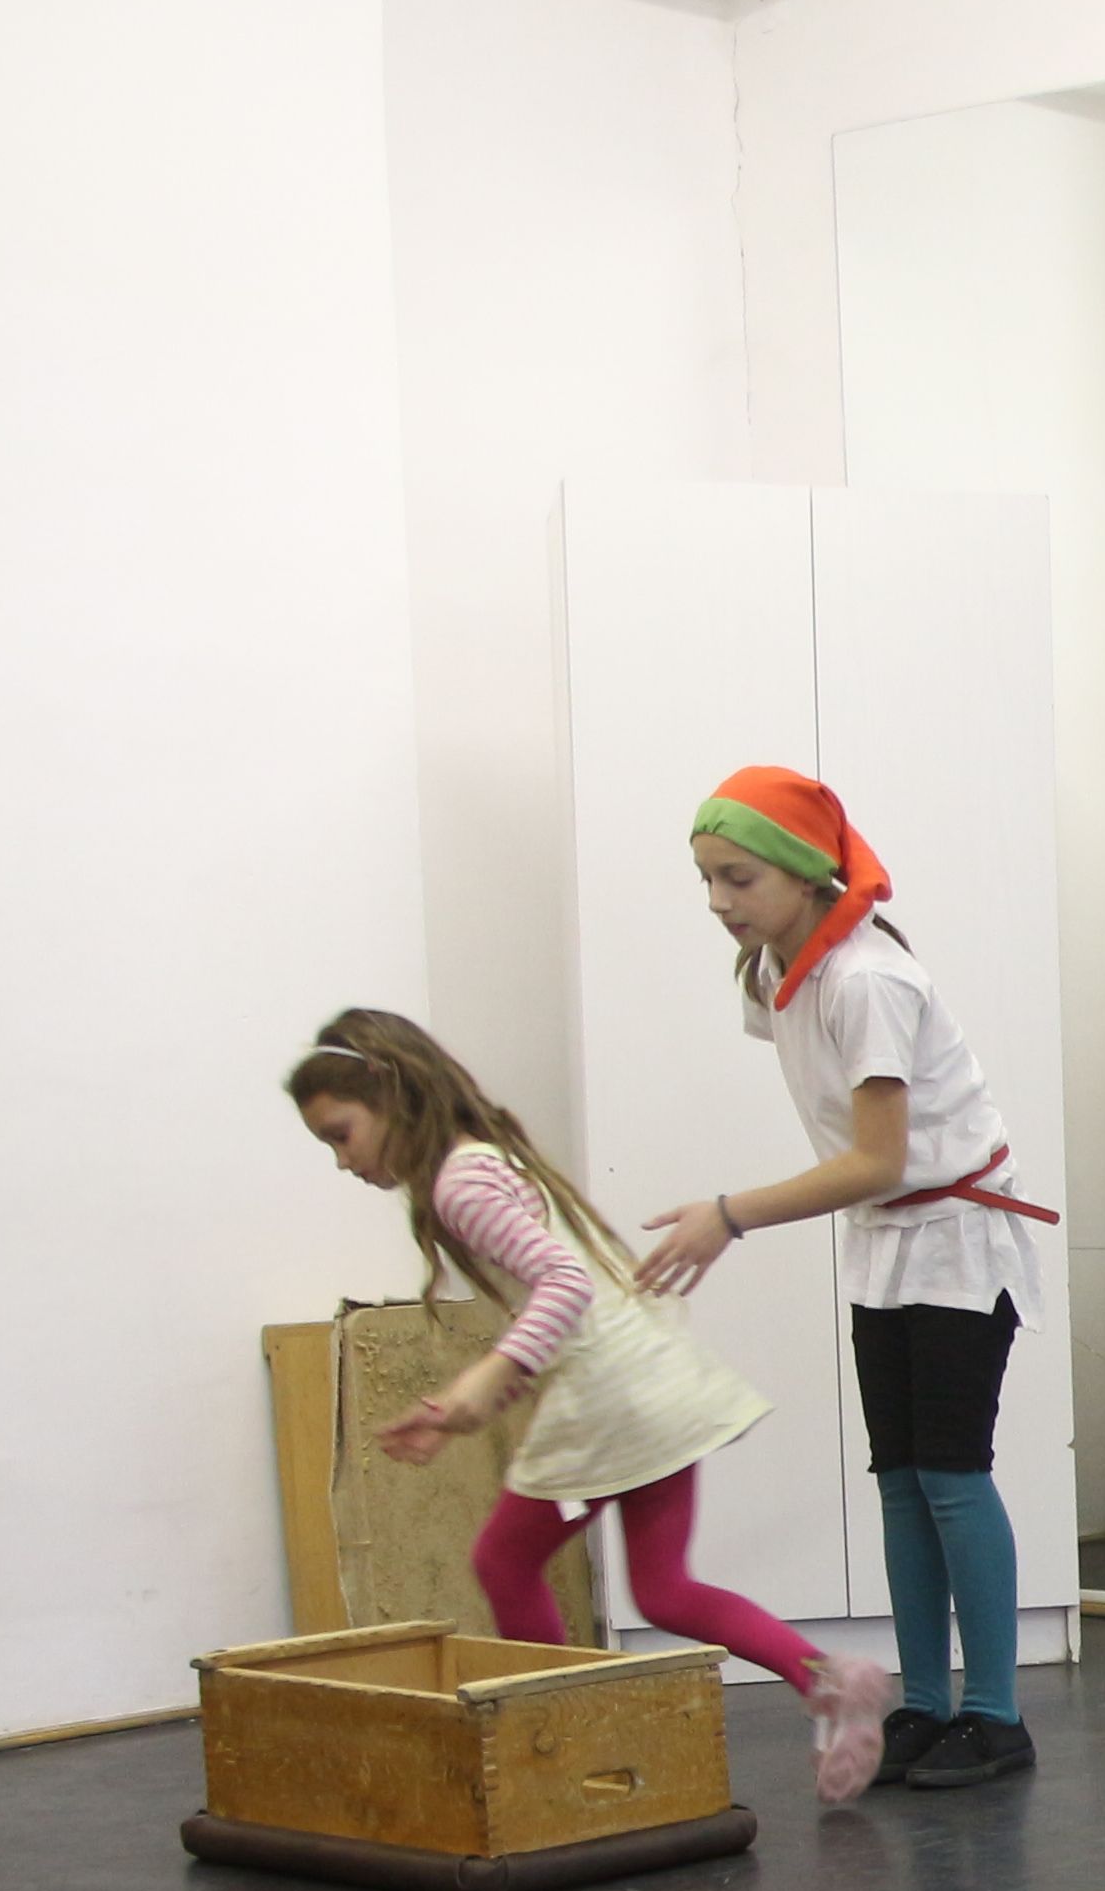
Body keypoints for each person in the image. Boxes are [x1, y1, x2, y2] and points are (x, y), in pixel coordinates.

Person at [289, 1010, 902, 1802]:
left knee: (503, 1563)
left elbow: (564, 1285)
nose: (343, 1161)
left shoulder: (459, 1183)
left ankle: (561, 1739)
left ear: (393, 1094)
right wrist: (475, 1398)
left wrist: (486, 1378)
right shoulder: (488, 1158)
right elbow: (562, 1302)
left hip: (608, 1397)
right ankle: (823, 1675)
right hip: (649, 1379)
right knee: (664, 1588)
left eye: (341, 1135)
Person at [637, 767, 1060, 1792]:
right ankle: (925, 1704)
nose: (719, 902)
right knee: (902, 1481)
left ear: (804, 874)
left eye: (738, 878)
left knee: (952, 1475)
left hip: (957, 1240)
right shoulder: (779, 972)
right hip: (888, 1242)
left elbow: (876, 1158)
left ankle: (995, 1716)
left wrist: (729, 1214)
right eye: (706, 880)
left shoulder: (868, 979)